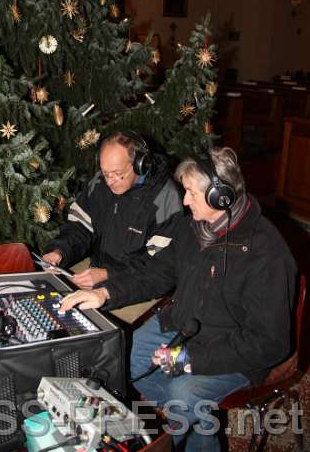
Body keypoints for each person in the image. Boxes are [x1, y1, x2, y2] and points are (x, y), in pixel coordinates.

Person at [60, 147, 297, 452]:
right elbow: (156, 272)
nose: (184, 202)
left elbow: (270, 343)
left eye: (190, 194)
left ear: (219, 197)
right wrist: (106, 292)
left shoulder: (267, 255)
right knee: (120, 360)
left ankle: (183, 434)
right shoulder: (195, 228)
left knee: (182, 394)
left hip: (234, 348)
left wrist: (190, 360)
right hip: (184, 323)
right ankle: (195, 429)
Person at [42, 131, 183, 289]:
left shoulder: (165, 198)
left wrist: (109, 274)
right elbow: (80, 228)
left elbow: (158, 268)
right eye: (105, 172)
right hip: (96, 272)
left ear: (140, 164)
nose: (109, 182)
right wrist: (60, 251)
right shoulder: (99, 183)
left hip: (136, 288)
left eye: (118, 174)